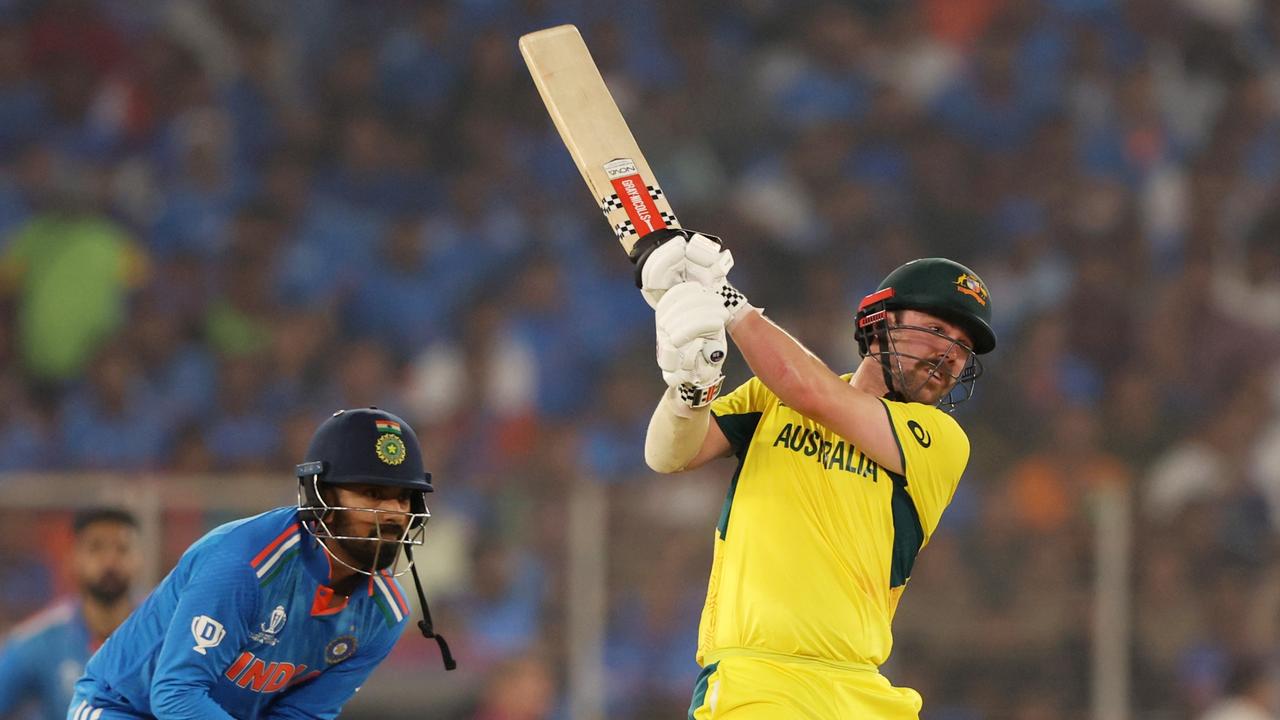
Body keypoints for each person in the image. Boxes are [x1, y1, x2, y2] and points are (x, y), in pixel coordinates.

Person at [635, 232, 996, 719]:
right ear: (880, 323)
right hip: (757, 681)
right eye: (937, 330)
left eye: (963, 347)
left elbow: (812, 392)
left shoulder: (942, 440)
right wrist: (689, 390)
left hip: (863, 690)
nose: (951, 354)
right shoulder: (771, 397)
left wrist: (724, 297)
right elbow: (668, 456)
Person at [68, 408, 454, 720]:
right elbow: (176, 695)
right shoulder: (244, 563)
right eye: (372, 493)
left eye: (404, 498)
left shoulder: (384, 615)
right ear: (320, 499)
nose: (391, 512)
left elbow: (301, 713)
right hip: (121, 707)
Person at [0, 508, 140, 720]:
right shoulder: (40, 640)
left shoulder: (165, 635)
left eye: (122, 549)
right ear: (74, 558)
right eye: (96, 548)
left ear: (139, 560)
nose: (110, 561)